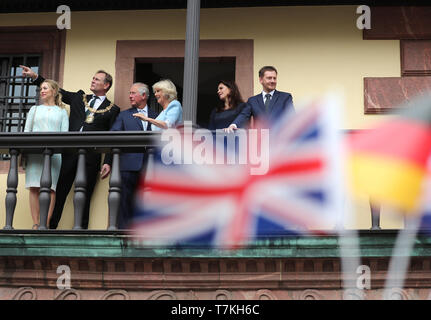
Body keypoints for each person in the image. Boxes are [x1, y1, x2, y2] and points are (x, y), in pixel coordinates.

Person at [20, 65, 120, 229]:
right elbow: (58, 90)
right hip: (68, 153)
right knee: (58, 192)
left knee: (85, 195)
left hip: (91, 156)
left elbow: (112, 137)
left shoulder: (113, 109)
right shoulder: (79, 98)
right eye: (93, 78)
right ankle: (49, 227)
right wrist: (35, 76)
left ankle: (81, 230)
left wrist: (108, 161)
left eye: (97, 79)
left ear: (106, 85)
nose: (92, 81)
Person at [100, 83, 158, 229]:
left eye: (133, 93)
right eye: (129, 93)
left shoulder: (156, 116)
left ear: (144, 95)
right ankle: (123, 234)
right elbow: (112, 138)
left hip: (151, 167)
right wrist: (108, 161)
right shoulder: (124, 115)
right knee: (125, 201)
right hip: (128, 165)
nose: (130, 96)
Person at [24, 79, 69, 230]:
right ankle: (36, 223)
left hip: (54, 155)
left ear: (54, 92)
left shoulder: (62, 112)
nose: (42, 91)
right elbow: (26, 132)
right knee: (34, 187)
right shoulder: (34, 110)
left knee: (51, 188)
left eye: (45, 88)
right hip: (35, 154)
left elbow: (65, 135)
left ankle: (46, 222)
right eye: (41, 88)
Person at [225, 66, 294, 131]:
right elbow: (244, 115)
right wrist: (234, 125)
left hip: (279, 140)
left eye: (274, 78)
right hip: (260, 140)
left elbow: (292, 117)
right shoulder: (252, 101)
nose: (273, 81)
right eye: (269, 78)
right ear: (261, 80)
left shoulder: (285, 97)